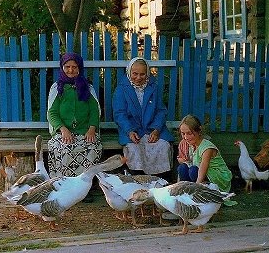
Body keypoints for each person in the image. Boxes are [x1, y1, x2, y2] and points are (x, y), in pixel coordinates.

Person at [47, 52, 102, 192]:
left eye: (74, 67)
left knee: (92, 148)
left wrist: (92, 129)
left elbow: (94, 111)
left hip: (85, 131)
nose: (71, 70)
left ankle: (84, 188)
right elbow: (52, 113)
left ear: (80, 68)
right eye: (67, 67)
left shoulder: (87, 88)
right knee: (63, 149)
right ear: (62, 67)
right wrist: (63, 129)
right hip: (63, 132)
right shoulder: (57, 88)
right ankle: (65, 187)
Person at [112, 57, 174, 179]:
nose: (138, 78)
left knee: (162, 145)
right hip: (131, 130)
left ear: (147, 74)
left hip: (152, 129)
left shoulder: (153, 88)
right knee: (133, 148)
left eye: (142, 74)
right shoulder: (121, 89)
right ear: (129, 72)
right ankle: (138, 178)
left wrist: (156, 129)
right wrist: (130, 131)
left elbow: (161, 111)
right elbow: (120, 114)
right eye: (135, 74)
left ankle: (160, 179)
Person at [178, 114, 232, 192]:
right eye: (183, 133)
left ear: (199, 130)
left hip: (216, 177)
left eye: (189, 133)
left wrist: (196, 188)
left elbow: (203, 168)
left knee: (193, 170)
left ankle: (198, 193)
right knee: (182, 168)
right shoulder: (189, 144)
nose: (186, 137)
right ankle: (184, 192)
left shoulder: (207, 147)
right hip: (200, 171)